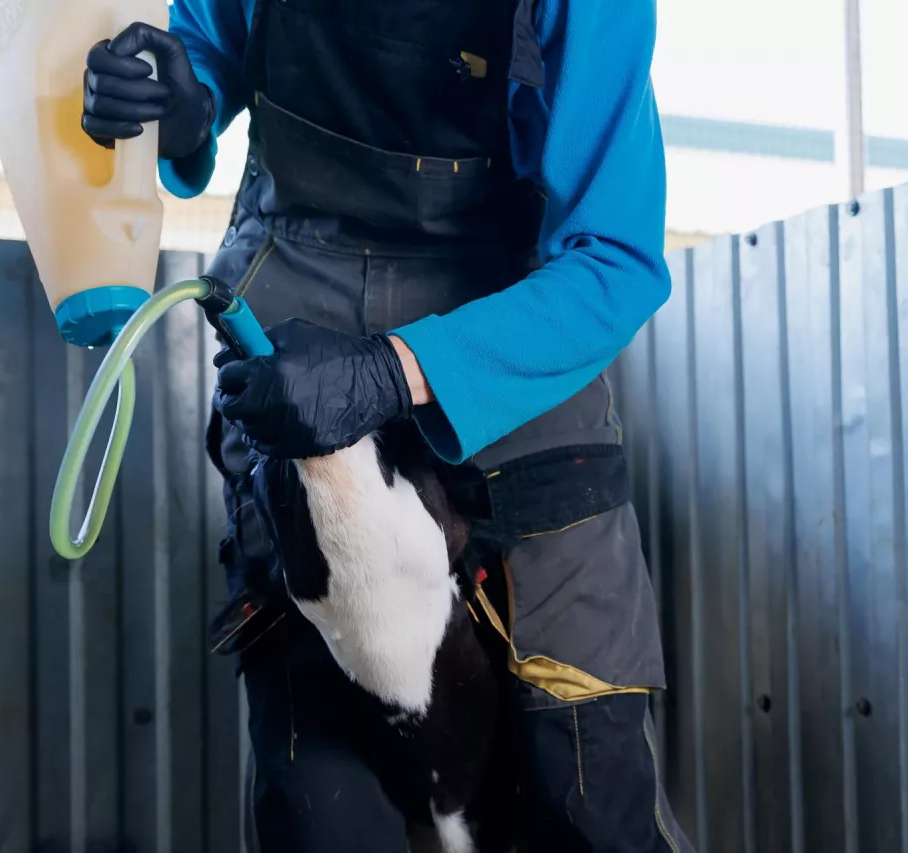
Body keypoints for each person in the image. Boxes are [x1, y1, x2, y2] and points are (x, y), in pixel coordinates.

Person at [80, 0, 692, 850]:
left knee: (588, 791)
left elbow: (618, 260)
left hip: (511, 350)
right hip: (295, 339)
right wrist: (182, 110)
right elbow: (210, 47)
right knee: (327, 808)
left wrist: (389, 369)